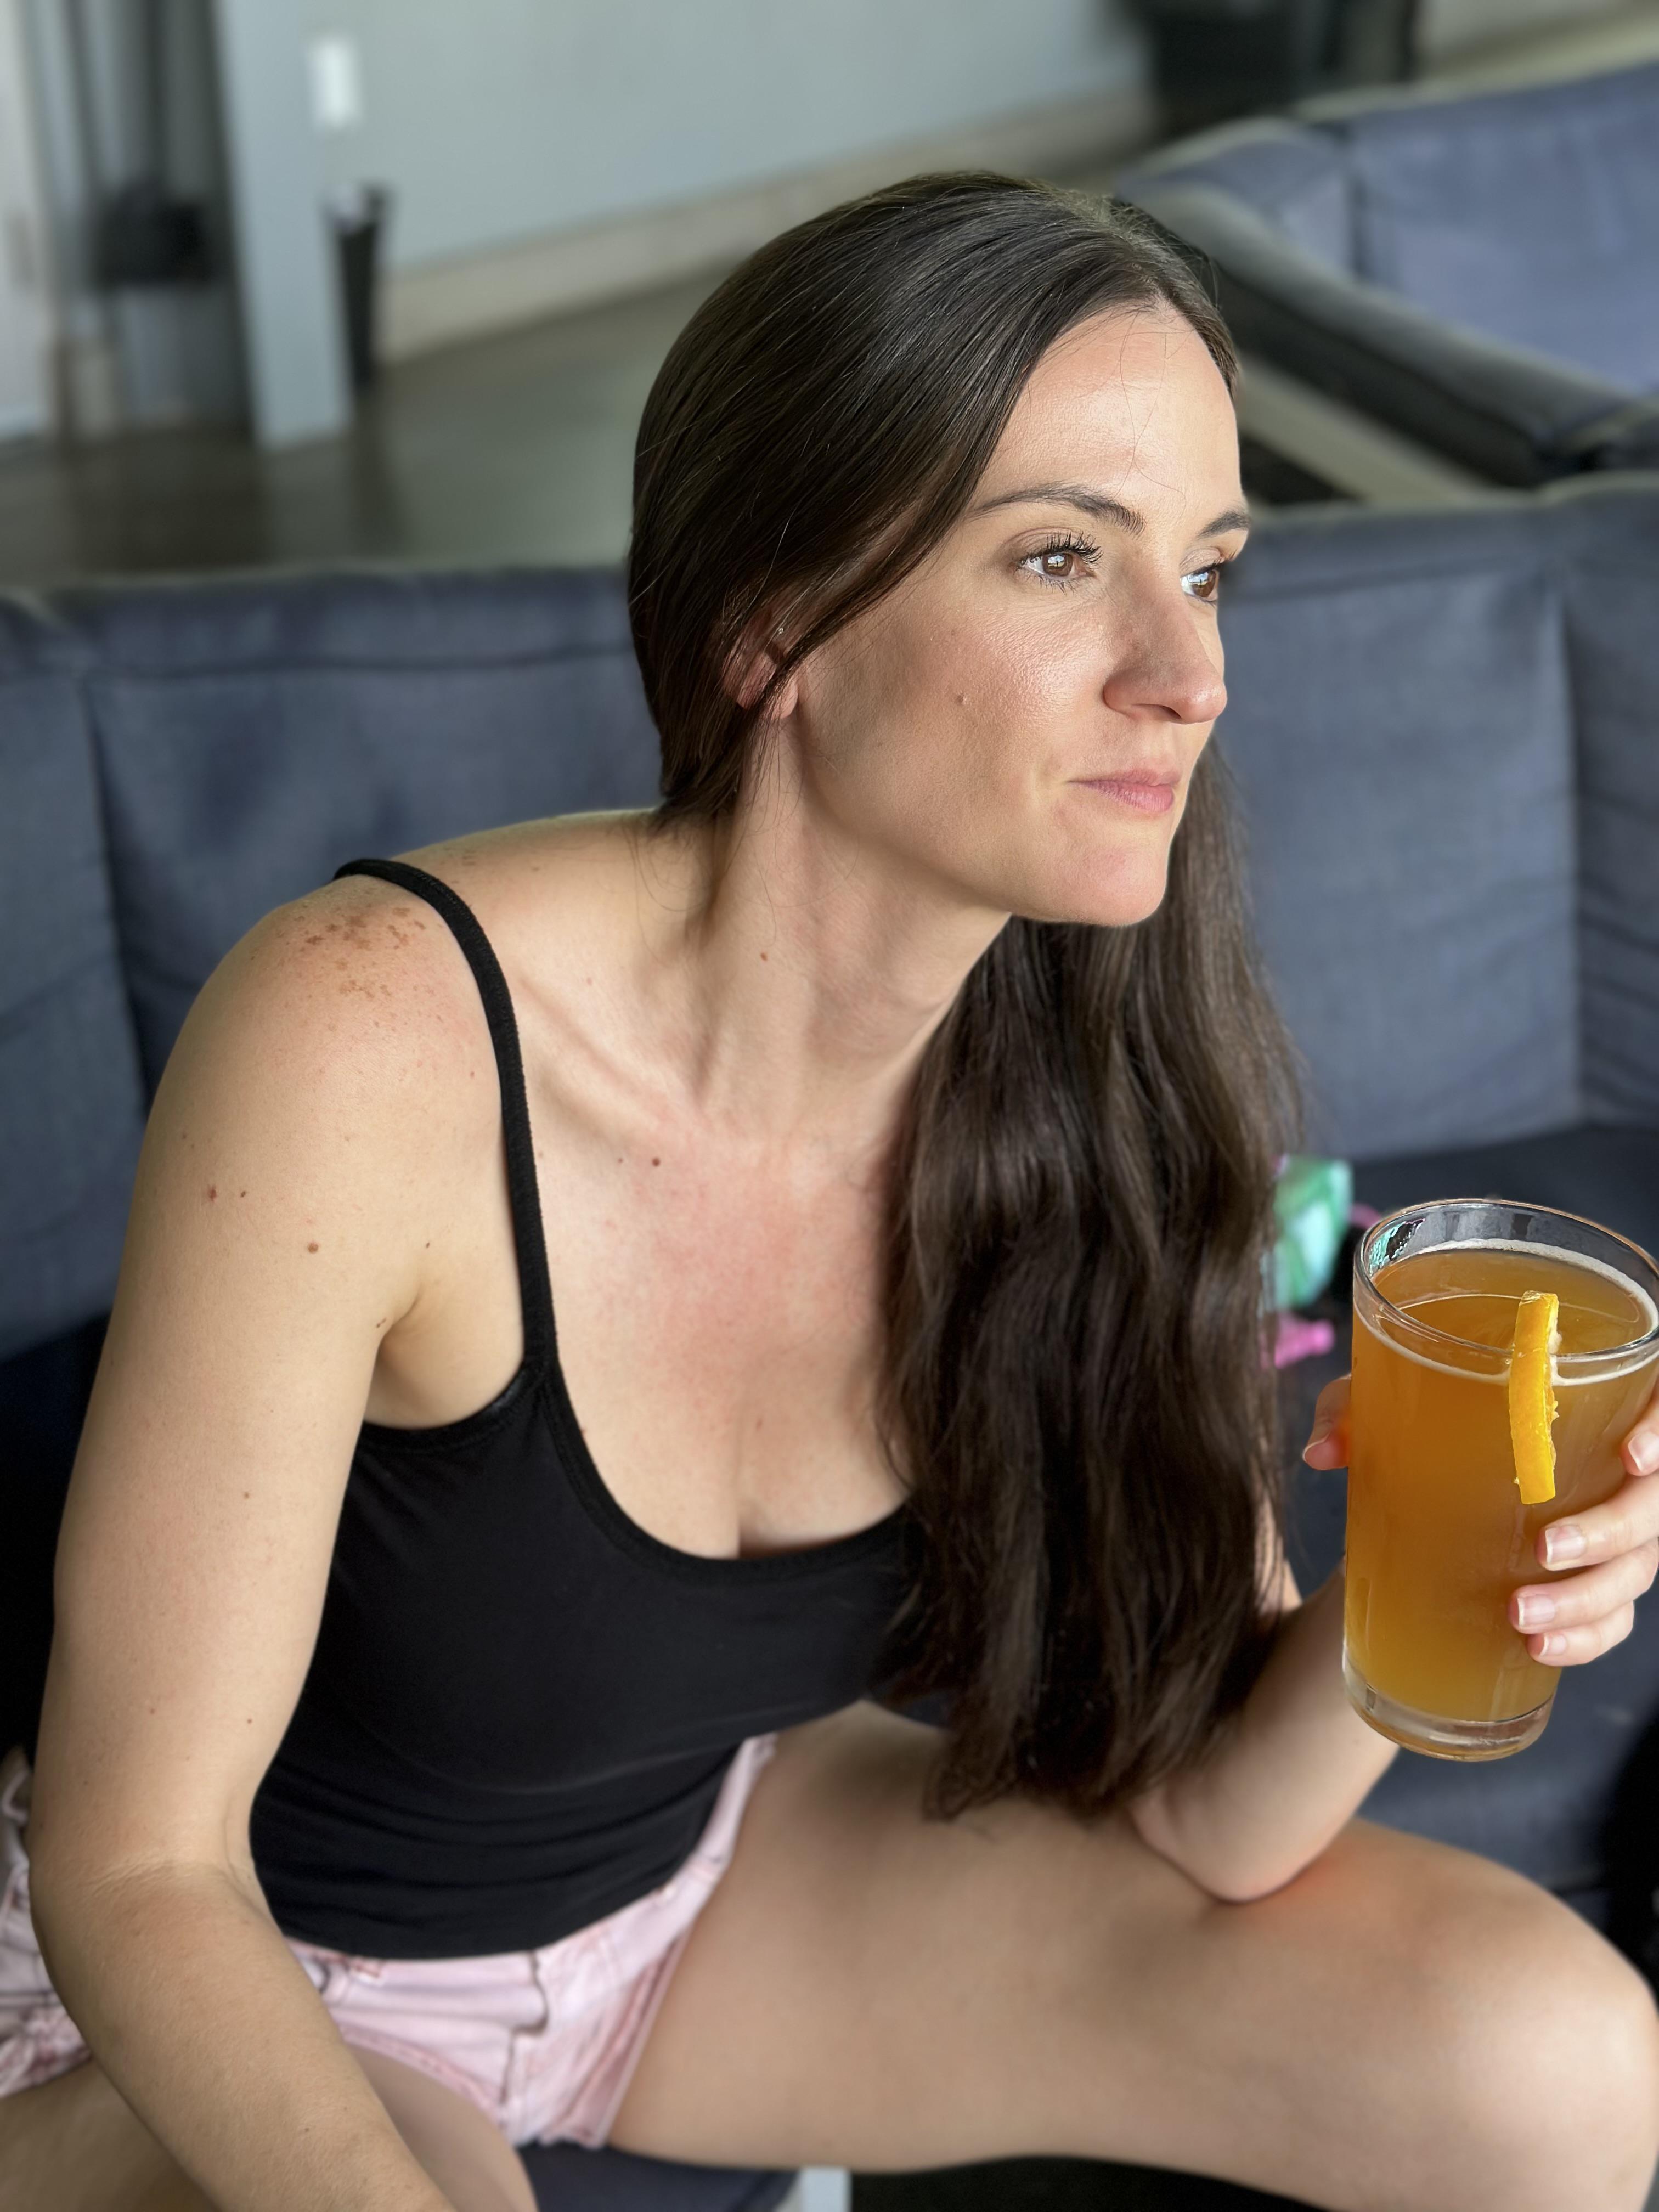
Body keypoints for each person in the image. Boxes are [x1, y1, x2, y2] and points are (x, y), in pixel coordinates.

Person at [3, 172, 1658, 2212]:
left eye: (1211, 572)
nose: (1190, 674)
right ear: (775, 623)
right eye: (1064, 557)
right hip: (240, 1973)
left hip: (699, 1899)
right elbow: (140, 1866)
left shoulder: (1110, 1084)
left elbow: (1215, 1824)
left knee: (1552, 2058)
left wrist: (1454, 1568)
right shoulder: (371, 1035)